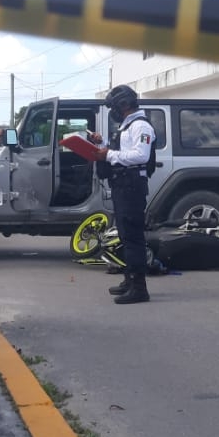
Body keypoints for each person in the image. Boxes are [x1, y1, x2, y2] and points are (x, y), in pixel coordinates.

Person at [90, 85, 155, 304]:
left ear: (124, 104)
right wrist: (103, 145)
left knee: (134, 237)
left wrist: (108, 154)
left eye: (114, 106)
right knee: (125, 236)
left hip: (132, 186)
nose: (113, 111)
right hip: (122, 185)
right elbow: (122, 152)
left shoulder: (141, 126)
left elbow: (140, 156)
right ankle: (129, 280)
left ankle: (139, 288)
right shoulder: (127, 127)